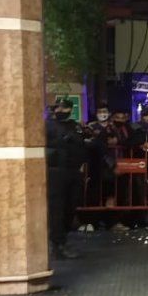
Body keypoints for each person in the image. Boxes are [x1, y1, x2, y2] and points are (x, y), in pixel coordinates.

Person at [46, 99, 86, 258]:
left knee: (70, 206)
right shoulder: (47, 125)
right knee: (57, 209)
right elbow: (43, 143)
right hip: (56, 171)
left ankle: (63, 239)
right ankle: (57, 243)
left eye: (65, 107)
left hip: (73, 171)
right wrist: (61, 141)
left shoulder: (74, 126)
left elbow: (81, 144)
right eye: (59, 107)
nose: (61, 110)